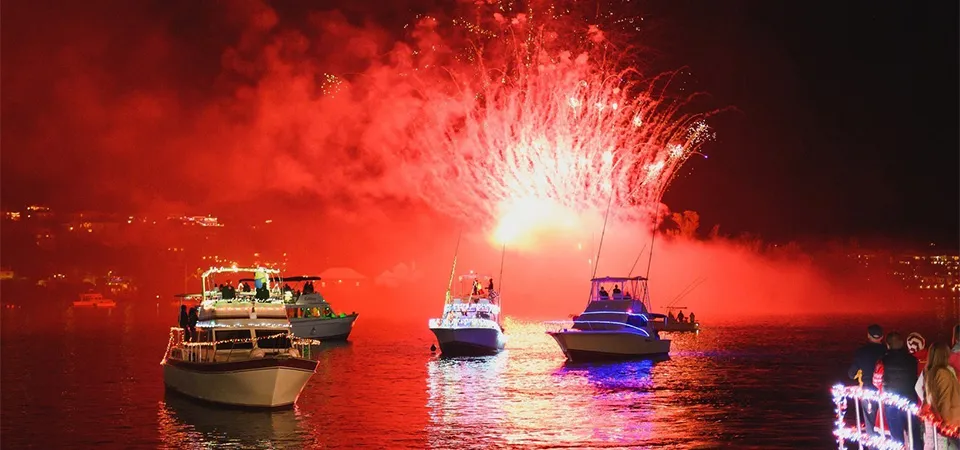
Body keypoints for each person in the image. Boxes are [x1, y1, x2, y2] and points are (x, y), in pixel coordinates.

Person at [879, 332, 923, 450]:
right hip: (910, 400)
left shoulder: (883, 360)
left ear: (888, 345)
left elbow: (876, 380)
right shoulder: (913, 360)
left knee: (896, 436)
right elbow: (919, 378)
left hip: (891, 402)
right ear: (902, 343)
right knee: (914, 433)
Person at [848, 324, 887, 436]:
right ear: (882, 336)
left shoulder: (861, 352)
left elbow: (851, 374)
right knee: (887, 423)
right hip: (887, 392)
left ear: (868, 336)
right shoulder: (886, 351)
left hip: (868, 391)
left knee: (870, 424)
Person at [922, 342, 960, 448]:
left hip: (935, 416)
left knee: (932, 442)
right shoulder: (943, 373)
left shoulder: (929, 371)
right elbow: (945, 398)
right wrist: (945, 424)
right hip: (948, 419)